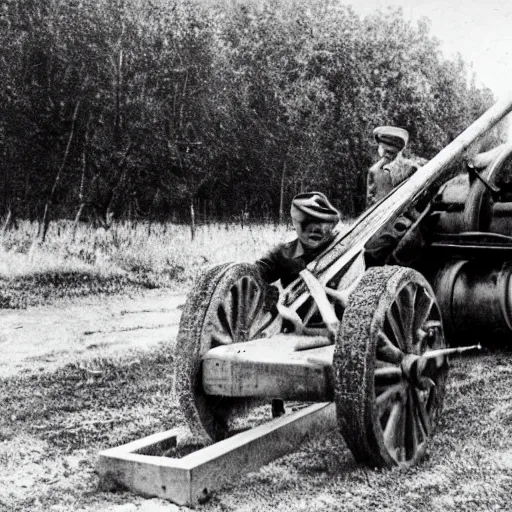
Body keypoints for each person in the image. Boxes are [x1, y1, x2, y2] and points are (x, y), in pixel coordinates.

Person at [256, 191, 340, 287]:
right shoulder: (285, 253)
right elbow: (259, 271)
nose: (315, 228)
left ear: (331, 226)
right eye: (308, 222)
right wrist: (245, 273)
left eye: (323, 222)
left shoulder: (345, 248)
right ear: (296, 224)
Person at [366, 126, 426, 207]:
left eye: (390, 152)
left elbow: (370, 201)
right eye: (386, 151)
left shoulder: (411, 168)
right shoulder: (411, 168)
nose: (387, 154)